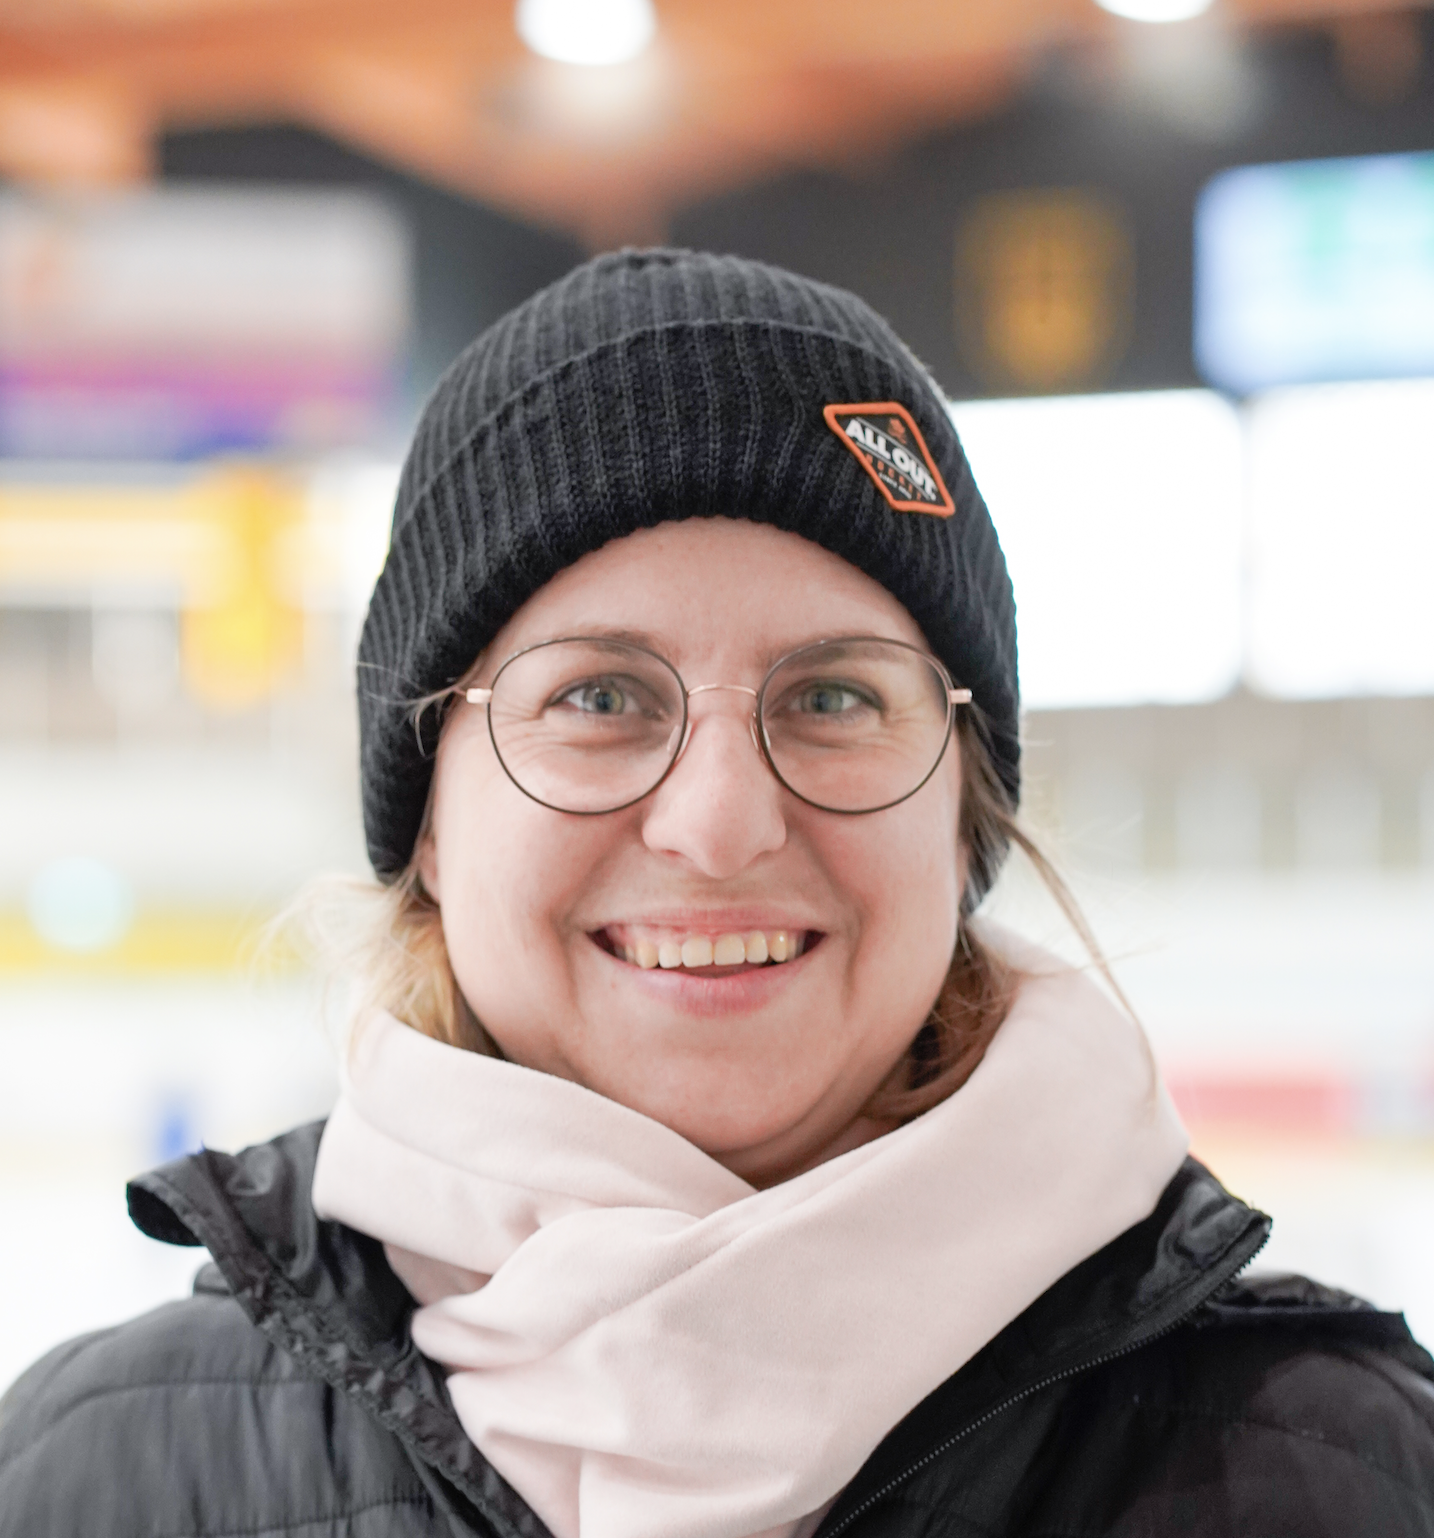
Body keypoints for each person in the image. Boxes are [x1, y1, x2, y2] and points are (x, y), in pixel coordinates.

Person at [2, 249, 1431, 1538]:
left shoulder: (1344, 1472)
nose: (720, 823)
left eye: (832, 696)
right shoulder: (92, 1475)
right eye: (599, 695)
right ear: (430, 818)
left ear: (961, 811)